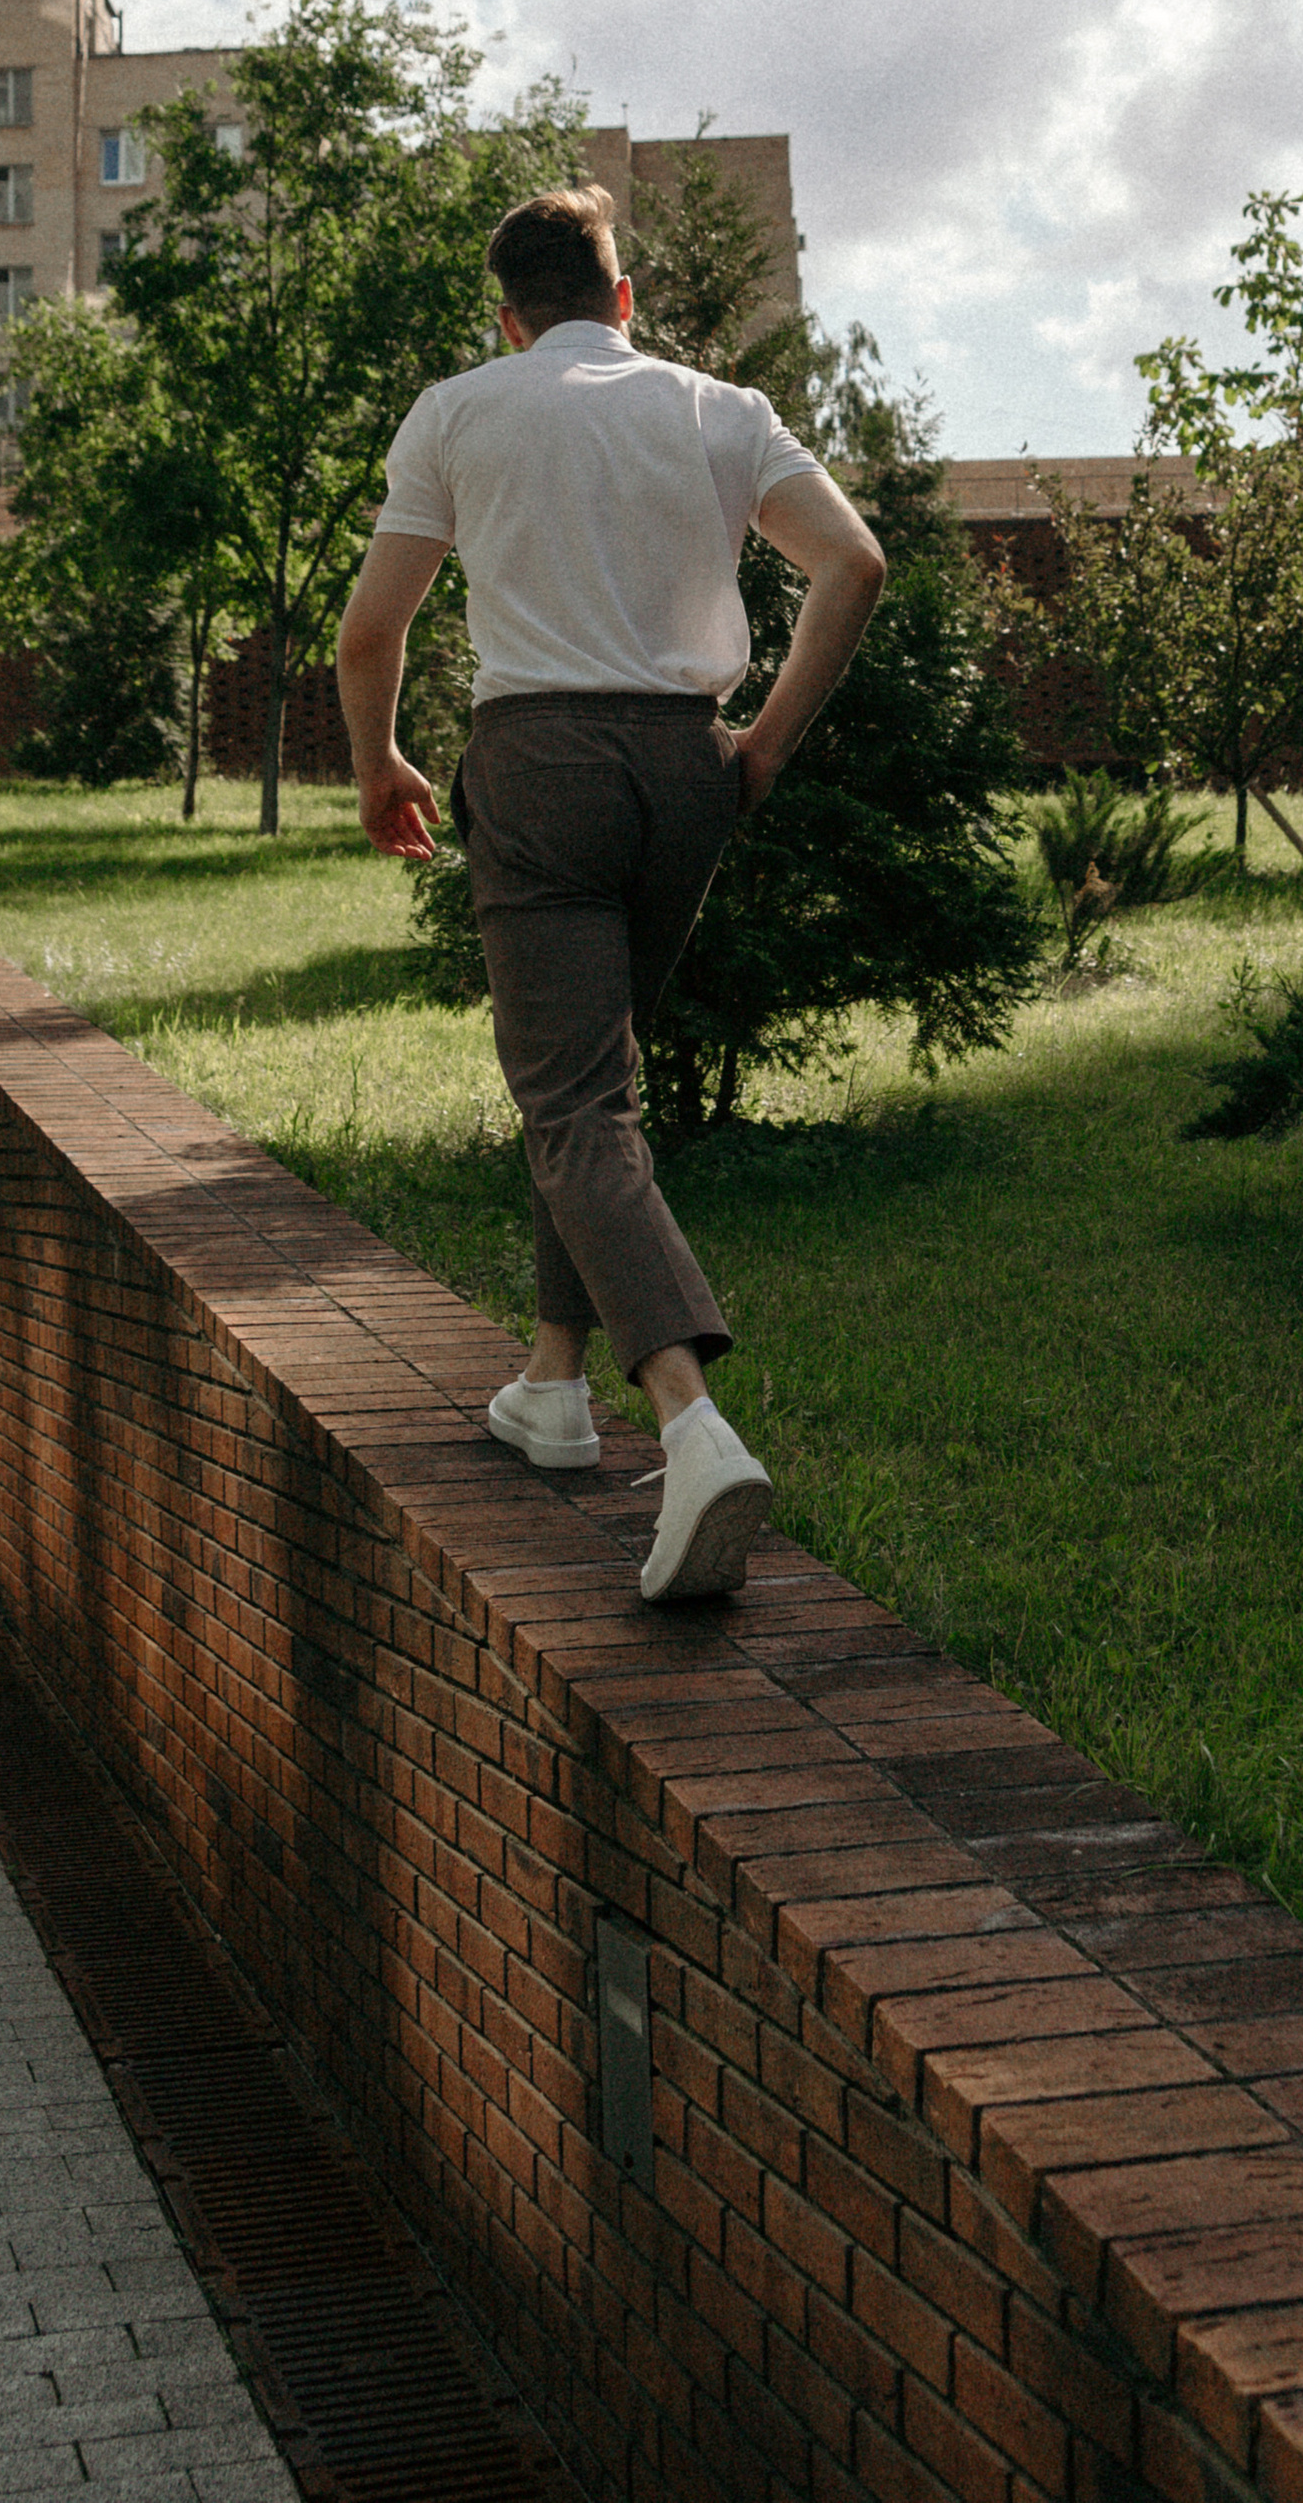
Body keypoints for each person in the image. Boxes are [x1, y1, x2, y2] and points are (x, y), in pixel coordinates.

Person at [335, 181, 886, 1601]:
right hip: (685, 767)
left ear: (507, 315)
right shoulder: (719, 410)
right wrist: (760, 744)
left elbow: (371, 630)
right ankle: (553, 1385)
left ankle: (692, 1429)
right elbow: (853, 563)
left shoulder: (461, 410)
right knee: (597, 1088)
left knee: (573, 1099)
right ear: (621, 299)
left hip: (539, 766)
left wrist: (379, 761)